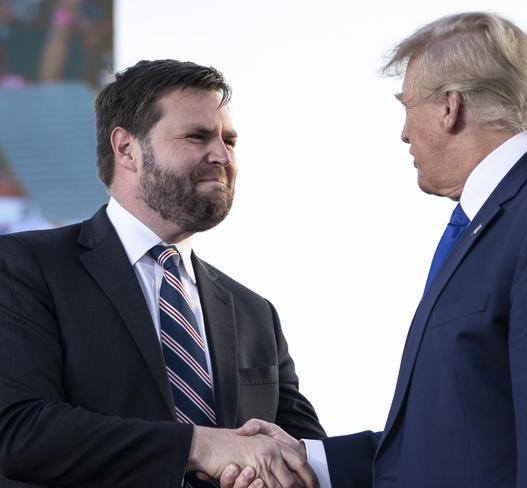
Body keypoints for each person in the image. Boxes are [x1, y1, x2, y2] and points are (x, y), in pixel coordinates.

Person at [229, 11, 527, 488]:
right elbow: (457, 442)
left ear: (451, 107)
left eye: (406, 106)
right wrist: (307, 459)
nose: (404, 134)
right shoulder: (508, 214)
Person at [0, 59, 325, 487]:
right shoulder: (25, 267)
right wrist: (201, 446)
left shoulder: (254, 313)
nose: (222, 156)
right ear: (126, 148)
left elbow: (307, 453)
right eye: (198, 136)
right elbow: (20, 432)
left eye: (229, 140)